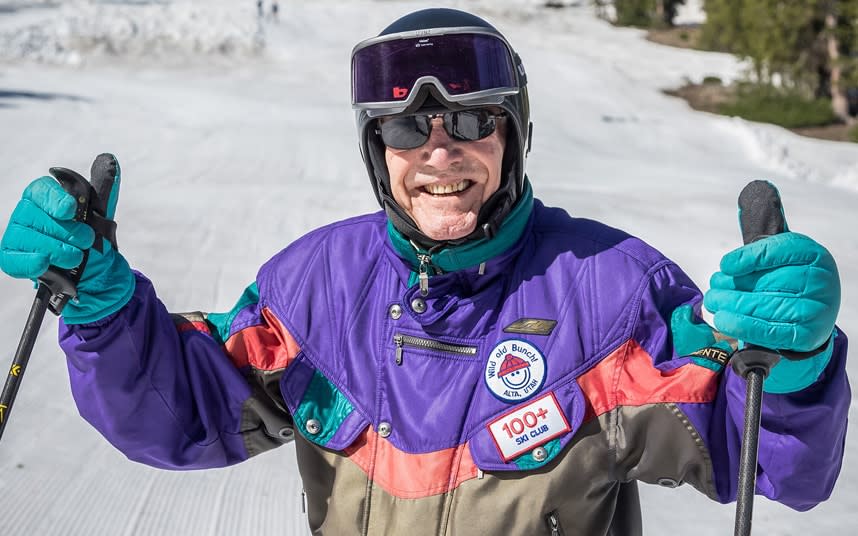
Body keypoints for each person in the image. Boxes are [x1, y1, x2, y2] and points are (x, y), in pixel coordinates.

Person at [0, 8, 848, 536]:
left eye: (473, 119)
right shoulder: (315, 287)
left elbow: (764, 457)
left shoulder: (613, 290)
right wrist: (106, 315)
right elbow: (178, 414)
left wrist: (793, 369)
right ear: (378, 150)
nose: (439, 151)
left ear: (512, 135)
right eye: (406, 132)